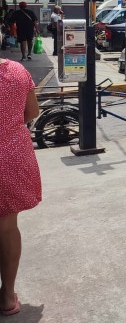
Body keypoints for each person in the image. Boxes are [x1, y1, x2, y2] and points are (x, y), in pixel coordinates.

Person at [0, 26, 41, 317]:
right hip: (11, 158)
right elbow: (31, 112)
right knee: (7, 227)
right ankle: (7, 296)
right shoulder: (16, 71)